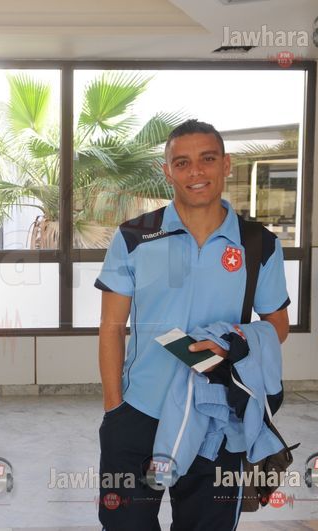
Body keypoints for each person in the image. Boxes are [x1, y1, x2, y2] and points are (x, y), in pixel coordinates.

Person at [95, 119, 290, 530]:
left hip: (218, 415)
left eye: (207, 159)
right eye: (182, 162)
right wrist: (115, 409)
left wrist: (234, 343)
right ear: (167, 171)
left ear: (226, 164)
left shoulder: (259, 244)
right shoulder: (134, 236)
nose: (195, 172)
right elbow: (111, 327)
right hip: (140, 412)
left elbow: (277, 324)